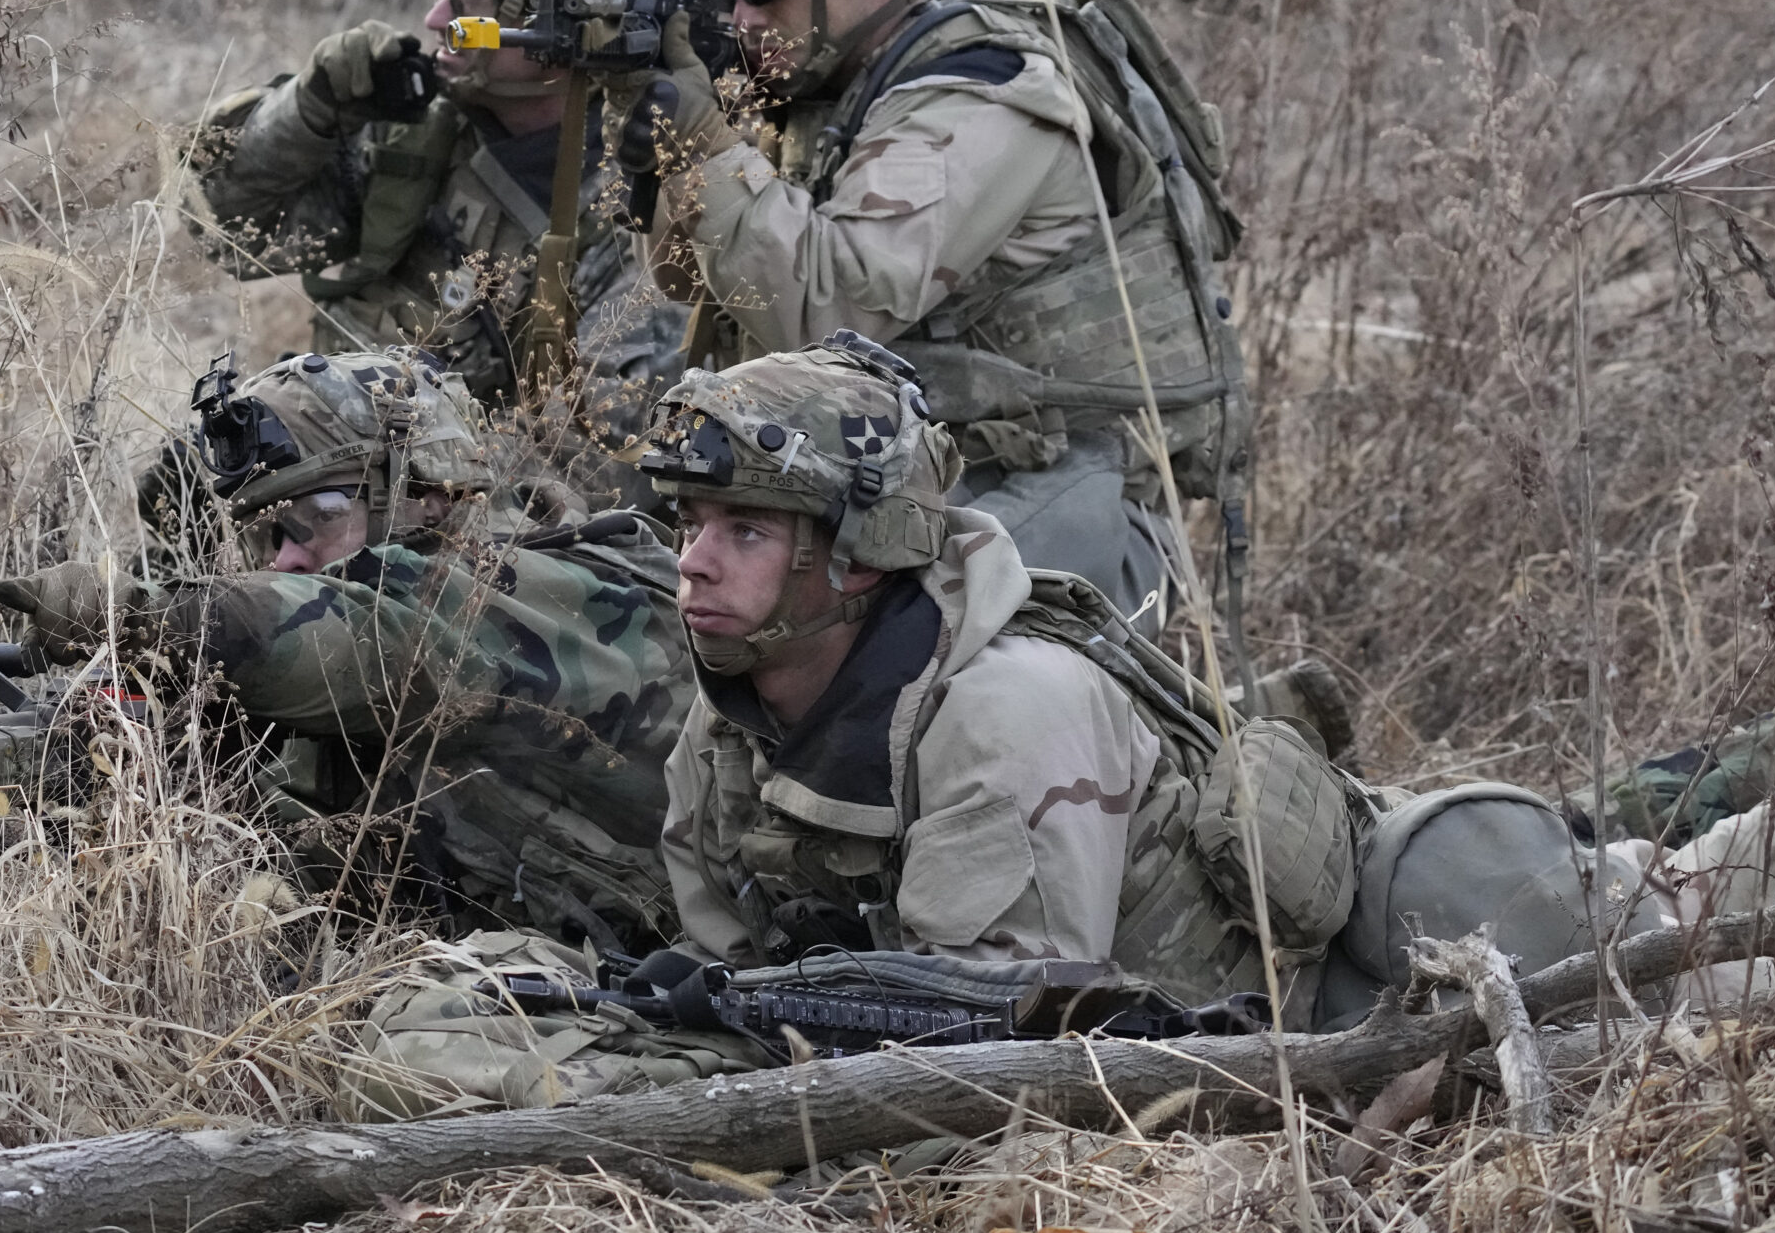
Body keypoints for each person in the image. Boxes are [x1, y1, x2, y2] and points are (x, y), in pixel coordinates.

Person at [341, 335, 1359, 1118]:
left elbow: (1011, 1067)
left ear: (860, 556)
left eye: (743, 530)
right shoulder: (741, 700)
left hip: (1237, 1053)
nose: (692, 561)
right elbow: (734, 960)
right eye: (689, 524)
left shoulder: (1004, 714)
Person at [629, 0, 1249, 622]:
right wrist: (674, 153)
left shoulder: (979, 96)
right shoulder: (821, 86)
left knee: (860, 660)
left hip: (1065, 502)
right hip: (910, 486)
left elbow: (830, 309)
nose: (739, 14)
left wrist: (706, 146)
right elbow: (689, 284)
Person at [0, 347, 697, 958]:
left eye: (318, 517)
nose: (285, 560)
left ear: (432, 498)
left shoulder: (552, 589)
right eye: (264, 537)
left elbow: (371, 634)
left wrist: (133, 613)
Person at [187, 0, 688, 502]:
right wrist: (307, 112)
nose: (434, 16)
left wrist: (360, 464)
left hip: (476, 547)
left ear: (556, 25)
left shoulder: (638, 210)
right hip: (336, 497)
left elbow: (600, 475)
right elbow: (224, 232)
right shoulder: (421, 132)